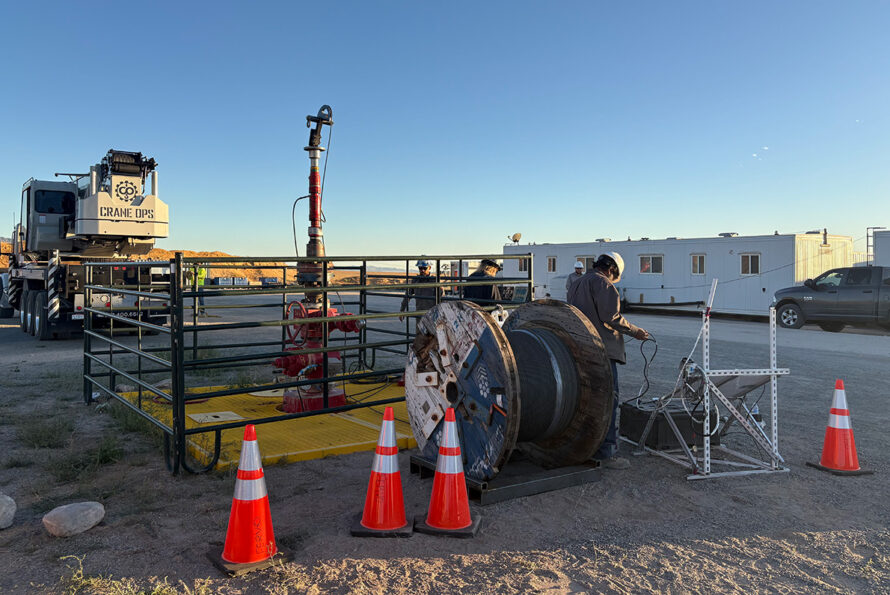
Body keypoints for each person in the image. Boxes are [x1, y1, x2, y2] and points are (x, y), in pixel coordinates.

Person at [567, 251, 648, 470]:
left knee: (584, 402)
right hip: (601, 353)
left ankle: (583, 448)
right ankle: (606, 452)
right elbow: (610, 317)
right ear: (612, 269)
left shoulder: (577, 283)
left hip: (579, 349)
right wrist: (635, 331)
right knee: (608, 403)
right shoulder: (604, 285)